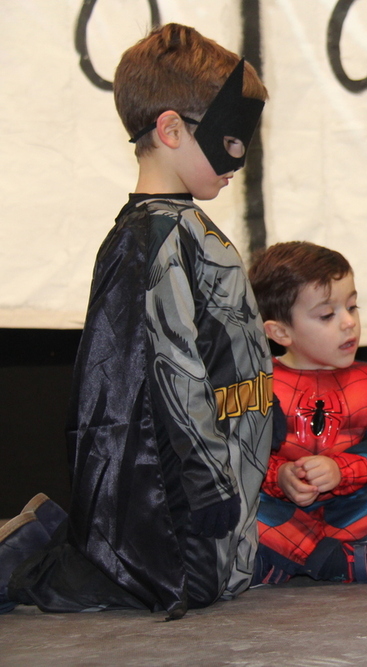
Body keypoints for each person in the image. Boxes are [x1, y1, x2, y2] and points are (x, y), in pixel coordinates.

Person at [0, 24, 272, 618]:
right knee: (171, 586)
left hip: (228, 480)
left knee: (224, 583)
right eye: (231, 140)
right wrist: (206, 486)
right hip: (195, 495)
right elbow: (167, 367)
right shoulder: (152, 237)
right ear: (171, 129)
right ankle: (27, 553)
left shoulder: (186, 228)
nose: (240, 158)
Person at [247, 241, 367, 585]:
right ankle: (341, 563)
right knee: (241, 504)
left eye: (352, 307)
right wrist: (279, 476)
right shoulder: (258, 383)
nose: (348, 323)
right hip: (281, 507)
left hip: (349, 507)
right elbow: (239, 451)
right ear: (280, 332)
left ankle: (278, 563)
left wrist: (339, 470)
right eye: (327, 315)